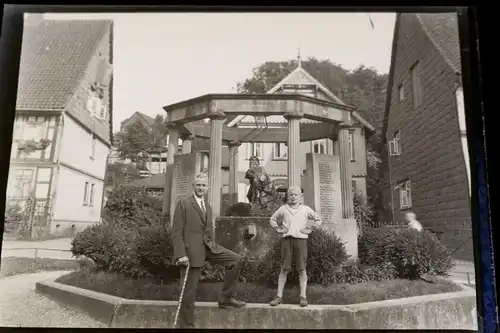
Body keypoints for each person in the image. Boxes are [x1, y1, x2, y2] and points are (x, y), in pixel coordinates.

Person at [172, 173, 246, 328]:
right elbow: (176, 232)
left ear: (207, 187)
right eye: (198, 185)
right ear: (194, 186)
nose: (201, 188)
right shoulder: (184, 204)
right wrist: (181, 255)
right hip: (191, 252)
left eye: (204, 185)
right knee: (189, 293)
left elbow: (207, 230)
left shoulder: (207, 205)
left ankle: (226, 298)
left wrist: (212, 245)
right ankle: (187, 326)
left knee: (236, 259)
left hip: (209, 247)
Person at [268, 186, 322, 307]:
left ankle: (303, 296)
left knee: (301, 269)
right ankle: (278, 296)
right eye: (291, 194)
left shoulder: (305, 209)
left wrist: (308, 227)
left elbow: (317, 219)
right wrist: (278, 228)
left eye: (295, 195)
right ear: (287, 196)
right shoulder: (284, 209)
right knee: (284, 268)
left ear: (300, 197)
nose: (293, 197)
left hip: (301, 241)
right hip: (287, 240)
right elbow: (272, 219)